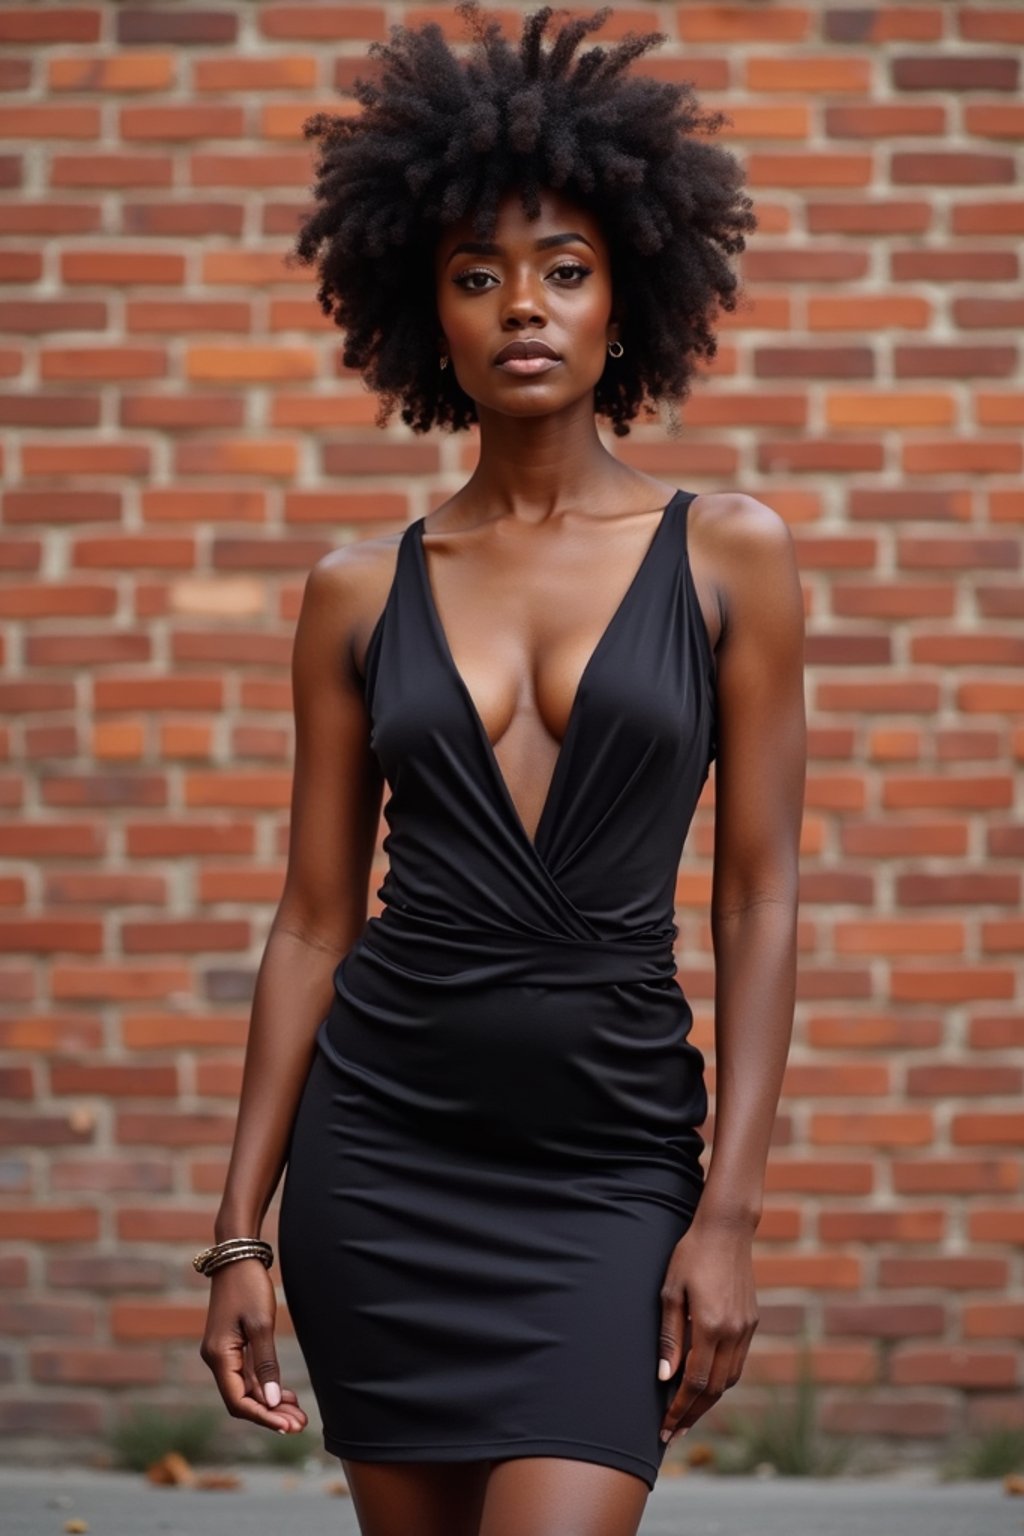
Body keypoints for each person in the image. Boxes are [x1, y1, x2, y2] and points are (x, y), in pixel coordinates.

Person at [196, 6, 806, 1533]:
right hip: (383, 1159)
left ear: (627, 302)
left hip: (608, 1167)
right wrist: (237, 1238)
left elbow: (761, 895)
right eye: (478, 276)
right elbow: (314, 921)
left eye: (564, 270)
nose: (521, 306)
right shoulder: (357, 588)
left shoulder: (729, 553)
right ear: (427, 318)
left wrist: (726, 1216)